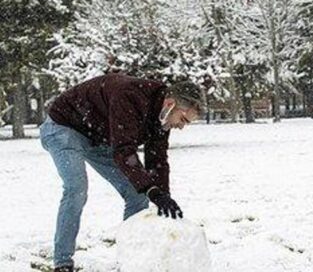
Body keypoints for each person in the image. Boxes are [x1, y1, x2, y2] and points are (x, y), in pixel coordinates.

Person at [40, 73, 203, 272]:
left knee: (137, 192)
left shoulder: (162, 116)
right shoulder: (129, 95)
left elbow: (157, 158)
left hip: (98, 138)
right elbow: (124, 149)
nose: (181, 126)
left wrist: (162, 194)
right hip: (64, 127)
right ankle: (62, 263)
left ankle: (132, 259)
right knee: (76, 189)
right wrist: (152, 189)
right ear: (170, 104)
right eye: (183, 119)